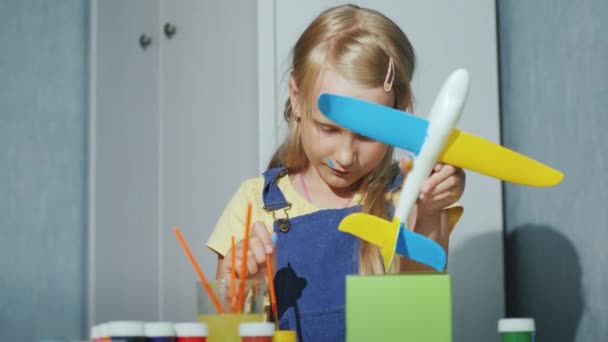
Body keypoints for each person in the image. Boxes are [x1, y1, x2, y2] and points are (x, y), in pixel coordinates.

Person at [207, 4, 465, 341]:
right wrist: (245, 288)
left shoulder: (406, 199)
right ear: (296, 99)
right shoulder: (254, 202)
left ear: (399, 117)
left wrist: (430, 212)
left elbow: (420, 306)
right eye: (329, 129)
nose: (345, 156)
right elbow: (223, 331)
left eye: (366, 135)